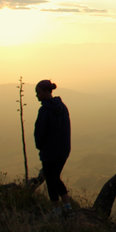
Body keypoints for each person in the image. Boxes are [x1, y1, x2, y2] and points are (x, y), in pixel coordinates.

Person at [34, 79, 72, 216]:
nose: (36, 95)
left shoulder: (45, 110)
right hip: (63, 150)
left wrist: (40, 146)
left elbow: (40, 132)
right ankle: (67, 206)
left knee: (51, 179)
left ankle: (56, 210)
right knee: (55, 177)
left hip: (50, 152)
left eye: (38, 92)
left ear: (45, 92)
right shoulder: (62, 107)